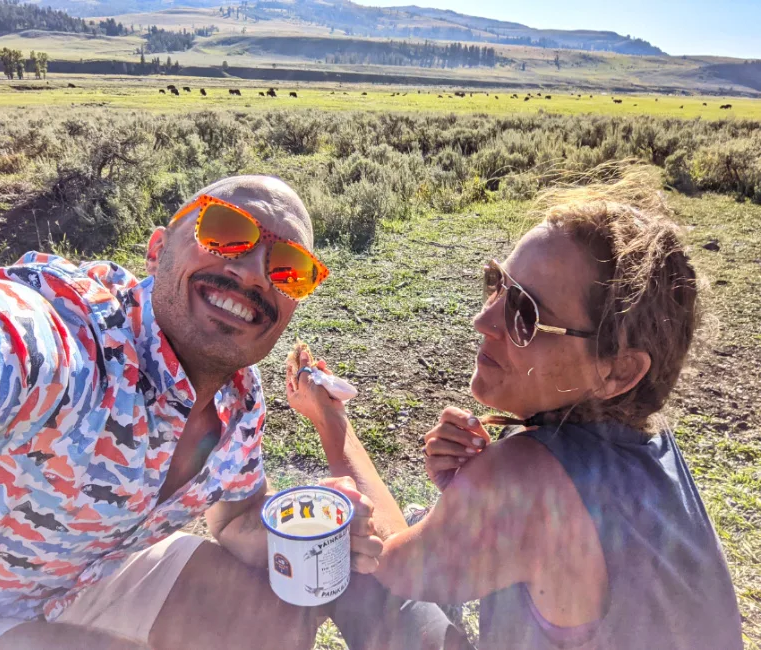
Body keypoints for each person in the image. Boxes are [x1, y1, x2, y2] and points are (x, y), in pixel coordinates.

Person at [0, 175, 466, 650]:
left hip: (82, 573)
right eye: (225, 232)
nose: (252, 273)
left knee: (278, 616)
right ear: (156, 249)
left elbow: (236, 521)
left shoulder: (239, 398)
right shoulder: (74, 332)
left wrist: (309, 527)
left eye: (289, 268)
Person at [287, 168, 743, 649]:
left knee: (345, 569)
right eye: (496, 285)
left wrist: (333, 427)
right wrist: (467, 498)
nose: (483, 319)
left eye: (524, 314)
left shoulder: (527, 474)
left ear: (617, 372)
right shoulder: (651, 440)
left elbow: (385, 566)